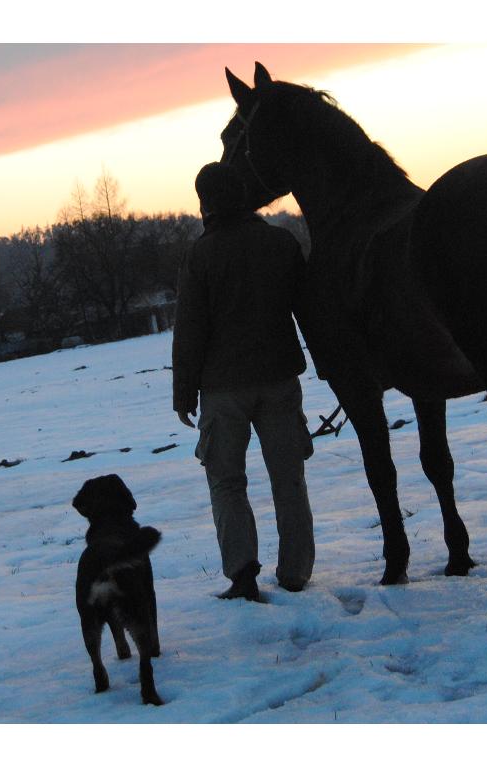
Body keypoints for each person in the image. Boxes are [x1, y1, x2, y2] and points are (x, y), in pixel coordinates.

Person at [172, 161, 314, 602]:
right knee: (288, 478)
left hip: (222, 390)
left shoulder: (201, 254)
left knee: (227, 483)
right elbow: (310, 312)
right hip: (279, 382)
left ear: (205, 204)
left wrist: (183, 393)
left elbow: (189, 329)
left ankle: (242, 575)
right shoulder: (280, 243)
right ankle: (295, 573)